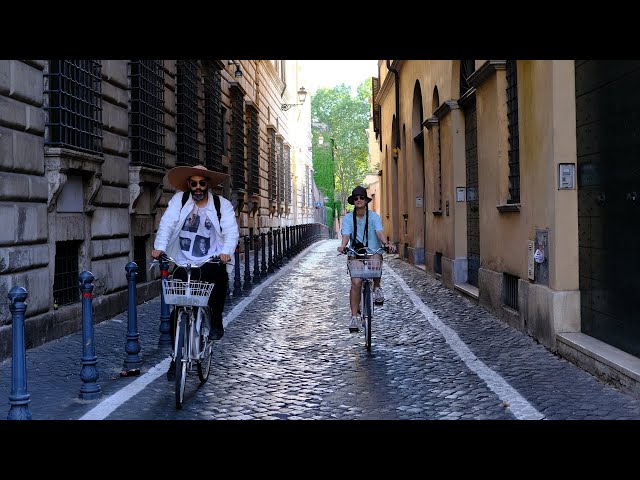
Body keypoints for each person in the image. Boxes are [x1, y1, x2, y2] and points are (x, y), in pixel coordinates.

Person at [152, 164, 239, 380]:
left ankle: (216, 320)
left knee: (219, 280)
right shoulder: (179, 201)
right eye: (194, 183)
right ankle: (176, 358)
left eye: (202, 183)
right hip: (183, 260)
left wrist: (226, 252)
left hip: (211, 259)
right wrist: (159, 247)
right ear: (189, 185)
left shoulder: (222, 205)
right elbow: (166, 225)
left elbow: (231, 231)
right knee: (177, 310)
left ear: (207, 184)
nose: (198, 187)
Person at [337, 185, 396, 332]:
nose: (358, 200)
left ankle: (376, 287)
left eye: (361, 197)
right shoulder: (349, 218)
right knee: (356, 283)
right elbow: (345, 235)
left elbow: (379, 232)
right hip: (355, 253)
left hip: (372, 251)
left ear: (366, 200)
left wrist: (385, 243)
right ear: (353, 201)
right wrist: (343, 246)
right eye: (355, 198)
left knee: (376, 261)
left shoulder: (374, 217)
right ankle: (354, 318)